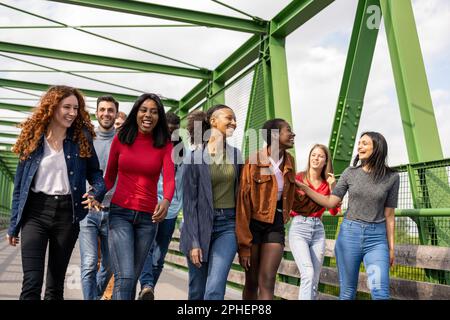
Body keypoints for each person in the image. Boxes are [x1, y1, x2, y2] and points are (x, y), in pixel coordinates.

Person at [6, 85, 106, 300]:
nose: (72, 113)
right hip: (35, 213)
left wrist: (95, 194)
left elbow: (96, 175)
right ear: (52, 108)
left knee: (54, 286)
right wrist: (14, 225)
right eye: (66, 107)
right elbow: (20, 187)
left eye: (76, 108)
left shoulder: (82, 138)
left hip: (67, 215)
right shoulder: (33, 137)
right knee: (32, 282)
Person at [296, 132, 399, 300]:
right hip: (350, 236)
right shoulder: (350, 173)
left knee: (380, 291)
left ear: (377, 147)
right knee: (347, 293)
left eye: (364, 143)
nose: (359, 146)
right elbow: (331, 203)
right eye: (359, 143)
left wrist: (391, 248)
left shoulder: (392, 177)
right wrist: (305, 188)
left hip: (377, 240)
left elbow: (389, 215)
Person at [236, 118, 322, 300]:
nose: (293, 134)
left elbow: (292, 196)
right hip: (252, 225)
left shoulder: (289, 161)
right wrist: (244, 245)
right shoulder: (253, 161)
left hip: (275, 222)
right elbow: (243, 204)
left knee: (267, 280)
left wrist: (326, 199)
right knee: (251, 281)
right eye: (288, 130)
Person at [104, 93, 175, 300]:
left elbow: (169, 179)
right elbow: (109, 177)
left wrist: (166, 199)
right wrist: (95, 193)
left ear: (159, 117)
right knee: (125, 276)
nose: (148, 115)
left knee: (132, 278)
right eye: (144, 110)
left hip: (147, 219)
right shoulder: (121, 139)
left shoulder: (165, 144)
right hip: (120, 214)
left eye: (154, 112)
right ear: (136, 113)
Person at [180, 105, 242, 300]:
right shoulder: (194, 158)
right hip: (199, 227)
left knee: (215, 287)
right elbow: (189, 205)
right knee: (197, 291)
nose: (234, 122)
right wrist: (194, 242)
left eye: (235, 119)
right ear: (213, 121)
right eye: (229, 118)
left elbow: (242, 193)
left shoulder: (236, 155)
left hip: (228, 226)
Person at [138, 111, 185, 300]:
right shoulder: (150, 145)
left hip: (172, 210)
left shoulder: (183, 152)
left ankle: (147, 291)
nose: (170, 134)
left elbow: (186, 182)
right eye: (168, 129)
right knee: (146, 250)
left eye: (174, 130)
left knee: (159, 257)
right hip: (150, 207)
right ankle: (147, 284)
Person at [79, 95, 119, 300]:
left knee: (111, 264)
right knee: (88, 262)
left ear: (115, 114)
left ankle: (94, 296)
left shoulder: (123, 141)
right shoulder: (86, 138)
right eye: (102, 109)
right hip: (88, 210)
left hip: (114, 211)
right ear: (96, 112)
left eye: (110, 110)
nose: (106, 113)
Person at [288, 144, 340, 300]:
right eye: (314, 155)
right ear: (309, 157)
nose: (316, 158)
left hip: (318, 230)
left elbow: (334, 210)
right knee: (308, 273)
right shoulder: (298, 178)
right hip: (299, 228)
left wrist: (333, 186)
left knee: (314, 279)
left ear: (326, 161)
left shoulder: (326, 184)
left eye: (321, 156)